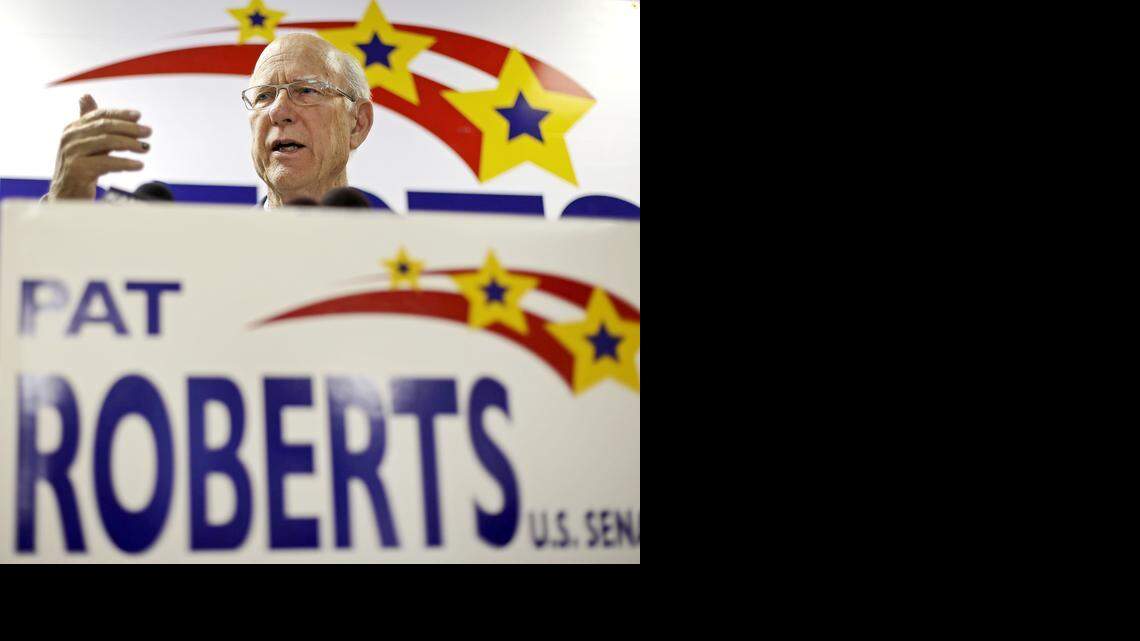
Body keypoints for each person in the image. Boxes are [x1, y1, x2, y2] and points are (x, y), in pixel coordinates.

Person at [44, 33, 373, 208]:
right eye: (263, 96)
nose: (278, 110)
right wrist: (66, 203)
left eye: (305, 90)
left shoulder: (408, 263)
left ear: (357, 124)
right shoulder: (202, 260)